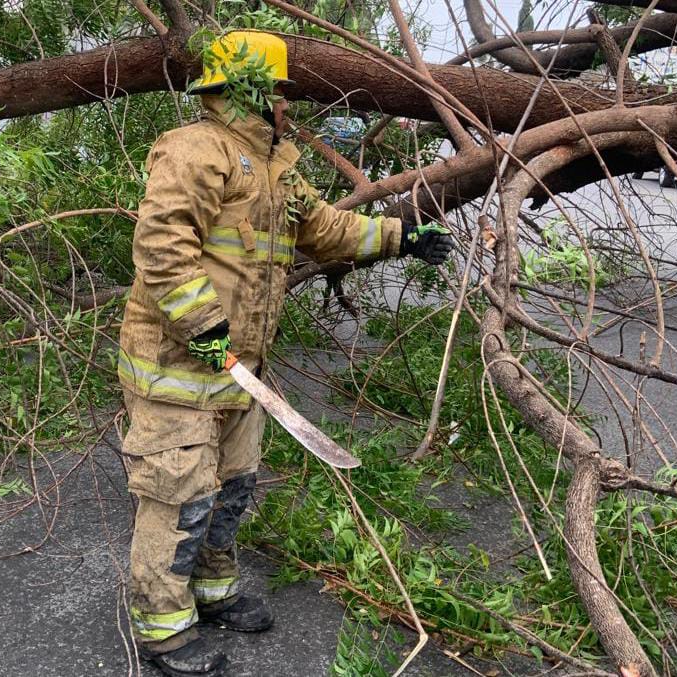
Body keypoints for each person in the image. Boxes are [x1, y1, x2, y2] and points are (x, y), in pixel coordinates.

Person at [117, 30, 454, 677]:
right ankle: (163, 629)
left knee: (231, 488)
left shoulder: (277, 168)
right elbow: (163, 247)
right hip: (178, 372)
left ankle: (212, 592)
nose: (286, 104)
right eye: (277, 92)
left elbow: (327, 230)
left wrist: (402, 236)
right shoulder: (194, 151)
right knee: (179, 497)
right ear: (250, 92)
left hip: (240, 375)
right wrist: (204, 324)